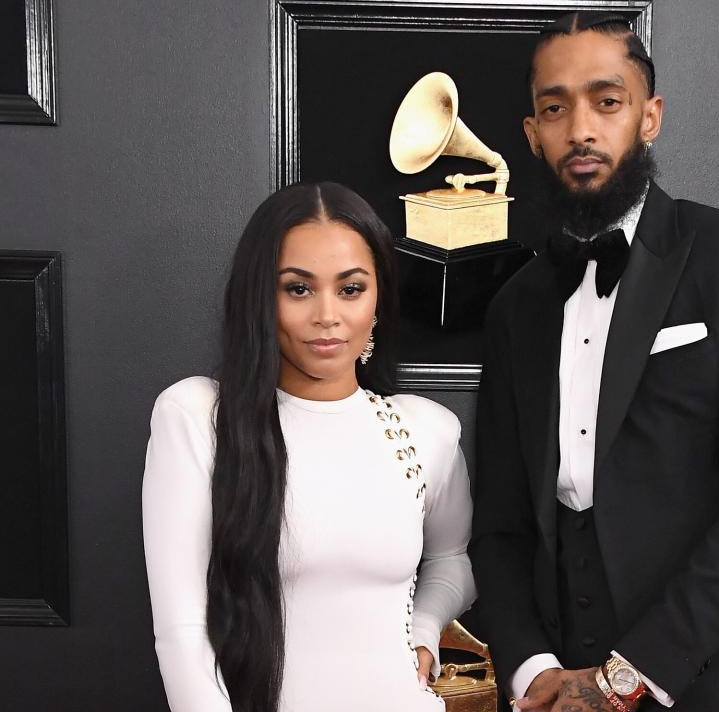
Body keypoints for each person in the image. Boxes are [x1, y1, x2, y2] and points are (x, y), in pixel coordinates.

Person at [470, 12, 719, 712]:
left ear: (649, 116)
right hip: (558, 686)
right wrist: (532, 665)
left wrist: (628, 677)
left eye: (608, 100)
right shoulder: (514, 306)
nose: (582, 129)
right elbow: (500, 525)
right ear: (533, 134)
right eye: (555, 108)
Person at [142, 182, 476, 712]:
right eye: (298, 288)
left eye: (350, 289)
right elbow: (182, 632)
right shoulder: (198, 417)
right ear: (261, 297)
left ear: (378, 300)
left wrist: (426, 629)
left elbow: (451, 558)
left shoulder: (424, 430)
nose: (327, 315)